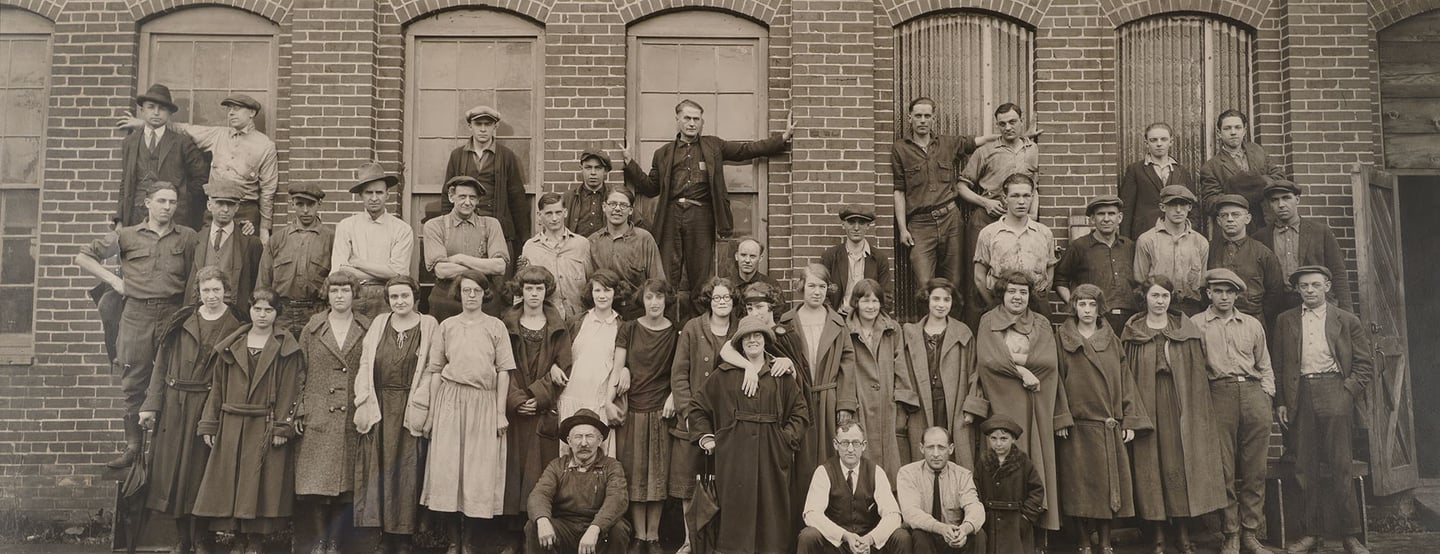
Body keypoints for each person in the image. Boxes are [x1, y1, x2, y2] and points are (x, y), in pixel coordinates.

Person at [75, 181, 198, 469]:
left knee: (174, 377)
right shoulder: (126, 236)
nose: (167, 207)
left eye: (172, 202)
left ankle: (166, 452)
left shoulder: (188, 238)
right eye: (162, 201)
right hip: (136, 314)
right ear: (148, 204)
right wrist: (115, 280)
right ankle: (133, 447)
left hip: (173, 313)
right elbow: (83, 256)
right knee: (134, 380)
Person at [622, 99, 794, 304]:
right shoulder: (663, 153)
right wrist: (630, 164)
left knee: (701, 277)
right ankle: (668, 325)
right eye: (687, 118)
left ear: (702, 122)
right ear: (677, 120)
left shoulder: (713, 146)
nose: (692, 123)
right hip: (671, 215)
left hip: (701, 215)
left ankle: (700, 326)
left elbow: (746, 150)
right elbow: (651, 187)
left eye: (697, 119)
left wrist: (781, 139)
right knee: (667, 275)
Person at [137, 266, 242, 554]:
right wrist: (151, 405)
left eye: (216, 290)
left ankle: (201, 538)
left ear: (226, 292)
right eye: (206, 290)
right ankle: (181, 538)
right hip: (175, 404)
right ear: (198, 292)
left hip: (208, 406)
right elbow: (160, 366)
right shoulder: (181, 321)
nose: (211, 296)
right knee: (174, 473)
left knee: (200, 473)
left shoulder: (235, 327)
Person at [192, 288, 303, 554]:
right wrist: (210, 423)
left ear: (277, 313)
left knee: (260, 483)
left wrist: (282, 427)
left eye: (268, 310)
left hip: (264, 422)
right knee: (232, 480)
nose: (262, 315)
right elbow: (217, 388)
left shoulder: (286, 346)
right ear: (250, 310)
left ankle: (255, 540)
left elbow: (291, 389)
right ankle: (237, 538)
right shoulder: (233, 344)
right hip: (232, 422)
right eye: (257, 309)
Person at [1124, 275, 1227, 554]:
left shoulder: (1184, 328)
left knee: (1178, 465)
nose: (1160, 302)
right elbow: (1126, 377)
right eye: (1155, 296)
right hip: (1146, 404)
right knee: (1150, 466)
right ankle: (1157, 535)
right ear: (1144, 297)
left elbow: (1195, 373)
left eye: (1165, 297)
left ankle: (1182, 533)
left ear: (1171, 299)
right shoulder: (1133, 331)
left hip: (1178, 404)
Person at [962, 271, 1072, 535]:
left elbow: (1048, 363)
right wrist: (1022, 371)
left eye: (1023, 292)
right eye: (1012, 291)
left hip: (1036, 408)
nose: (1018, 297)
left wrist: (1016, 363)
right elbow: (989, 361)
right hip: (1002, 405)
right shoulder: (988, 321)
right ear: (1003, 293)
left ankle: (1037, 534)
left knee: (1035, 467)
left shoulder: (1042, 324)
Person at [1273, 266, 1373, 554]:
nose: (1310, 291)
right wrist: (1281, 401)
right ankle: (1311, 534)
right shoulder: (1285, 321)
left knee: (1341, 466)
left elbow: (1364, 364)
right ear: (1298, 289)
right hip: (1300, 393)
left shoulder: (1346, 320)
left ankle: (1350, 536)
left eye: (1316, 285)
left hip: (1335, 390)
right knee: (1304, 467)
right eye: (1304, 286)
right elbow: (1279, 365)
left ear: (1328, 286)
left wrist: (1347, 393)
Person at [691, 314, 810, 554]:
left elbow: (800, 413)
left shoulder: (781, 376)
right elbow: (697, 408)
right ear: (740, 343)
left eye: (758, 336)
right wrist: (708, 438)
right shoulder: (724, 375)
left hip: (773, 457)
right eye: (747, 337)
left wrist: (785, 441)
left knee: (772, 518)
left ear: (766, 340)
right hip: (733, 459)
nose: (753, 341)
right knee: (735, 520)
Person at [416, 270, 515, 553]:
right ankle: (452, 541)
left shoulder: (496, 326)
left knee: (477, 472)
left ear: (486, 294)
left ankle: (470, 542)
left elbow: (504, 372)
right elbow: (435, 372)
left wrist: (499, 412)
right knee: (448, 470)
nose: (471, 296)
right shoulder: (447, 326)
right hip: (450, 399)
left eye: (477, 291)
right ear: (459, 294)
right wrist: (433, 414)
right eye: (466, 291)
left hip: (483, 403)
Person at [1055, 285, 1151, 554]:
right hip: (1077, 426)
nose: (1087, 310)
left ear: (1099, 309)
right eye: (1082, 304)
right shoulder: (1062, 339)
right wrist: (1061, 417)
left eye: (1092, 305)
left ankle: (1106, 541)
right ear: (1074, 306)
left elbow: (1125, 379)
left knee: (1109, 487)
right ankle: (1084, 540)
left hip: (1107, 425)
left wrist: (1130, 419)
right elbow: (1057, 382)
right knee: (1079, 486)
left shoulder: (1112, 340)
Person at [1191, 268, 1276, 554]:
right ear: (1209, 294)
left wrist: (1266, 395)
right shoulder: (1196, 324)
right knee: (1222, 468)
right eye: (1218, 291)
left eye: (1229, 292)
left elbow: (1264, 364)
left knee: (1255, 468)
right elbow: (1194, 368)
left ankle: (1251, 532)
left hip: (1253, 394)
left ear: (1237, 294)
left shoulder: (1252, 324)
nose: (1224, 297)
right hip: (1218, 394)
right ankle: (1231, 533)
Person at [353, 276, 438, 553]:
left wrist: (422, 403)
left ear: (416, 298)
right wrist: (364, 398)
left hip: (410, 404)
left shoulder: (428, 325)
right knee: (379, 468)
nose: (400, 302)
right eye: (394, 297)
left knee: (407, 469)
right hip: (381, 404)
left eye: (405, 296)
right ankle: (382, 535)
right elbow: (366, 361)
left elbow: (431, 368)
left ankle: (404, 536)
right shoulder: (379, 324)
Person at [122, 94, 278, 239]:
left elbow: (268, 190)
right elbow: (183, 128)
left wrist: (265, 228)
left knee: (242, 260)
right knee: (207, 256)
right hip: (213, 210)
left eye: (236, 109)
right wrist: (144, 123)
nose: (231, 113)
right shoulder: (218, 135)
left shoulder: (265, 146)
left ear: (251, 113)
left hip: (245, 212)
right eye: (229, 109)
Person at [294, 273, 371, 554]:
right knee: (316, 484)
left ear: (354, 295)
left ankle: (336, 542)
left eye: (346, 290)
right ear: (327, 294)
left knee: (345, 485)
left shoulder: (366, 327)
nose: (340, 296)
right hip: (318, 415)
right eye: (335, 290)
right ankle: (318, 541)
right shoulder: (312, 329)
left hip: (351, 414)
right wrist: (300, 408)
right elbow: (299, 370)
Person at [669, 276, 738, 552]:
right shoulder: (693, 327)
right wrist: (686, 412)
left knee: (726, 481)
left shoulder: (740, 328)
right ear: (709, 300)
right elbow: (679, 373)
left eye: (727, 298)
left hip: (730, 418)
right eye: (717, 298)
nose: (722, 303)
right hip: (694, 419)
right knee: (691, 483)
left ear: (734, 301)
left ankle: (722, 540)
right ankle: (691, 540)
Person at [500, 266, 568, 549]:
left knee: (539, 472)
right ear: (521, 291)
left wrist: (538, 397)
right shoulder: (507, 322)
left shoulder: (557, 324)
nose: (534, 294)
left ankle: (537, 532)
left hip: (542, 410)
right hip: (516, 411)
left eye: (539, 288)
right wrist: (515, 400)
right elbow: (501, 363)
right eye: (529, 288)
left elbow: (564, 367)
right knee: (512, 472)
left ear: (546, 291)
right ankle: (512, 536)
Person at [892, 97, 984, 289]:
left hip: (951, 220)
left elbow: (976, 141)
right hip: (919, 224)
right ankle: (928, 320)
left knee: (955, 282)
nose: (923, 120)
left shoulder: (946, 143)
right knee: (924, 284)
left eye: (927, 116)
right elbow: (899, 191)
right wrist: (902, 229)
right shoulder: (900, 149)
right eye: (918, 116)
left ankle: (954, 320)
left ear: (933, 118)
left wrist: (1017, 136)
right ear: (910, 118)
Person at [615, 279, 679, 553]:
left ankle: (653, 536)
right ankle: (639, 536)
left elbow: (680, 370)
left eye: (659, 297)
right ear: (643, 300)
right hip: (633, 408)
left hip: (661, 409)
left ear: (666, 300)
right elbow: (618, 367)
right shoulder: (629, 329)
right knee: (635, 473)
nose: (655, 302)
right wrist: (625, 370)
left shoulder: (675, 332)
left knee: (658, 474)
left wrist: (674, 396)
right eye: (650, 297)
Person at [961, 103, 1041, 323]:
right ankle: (985, 327)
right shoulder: (985, 152)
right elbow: (961, 186)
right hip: (987, 218)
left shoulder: (1032, 149)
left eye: (1013, 122)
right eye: (1002, 124)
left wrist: (1033, 215)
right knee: (978, 279)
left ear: (1021, 122)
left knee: (1020, 270)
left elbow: (1036, 187)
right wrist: (985, 202)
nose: (1007, 127)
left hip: (1021, 220)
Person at [525, 408, 633, 554]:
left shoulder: (612, 466)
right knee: (534, 526)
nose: (583, 443)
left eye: (589, 436)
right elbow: (539, 494)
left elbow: (617, 499)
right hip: (565, 529)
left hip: (598, 529)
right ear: (569, 441)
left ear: (600, 440)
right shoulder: (557, 466)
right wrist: (542, 520)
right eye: (578, 437)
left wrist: (596, 528)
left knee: (619, 529)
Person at [897, 279, 977, 468]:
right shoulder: (910, 333)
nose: (941, 305)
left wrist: (971, 407)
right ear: (927, 299)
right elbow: (901, 370)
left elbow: (974, 372)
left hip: (954, 404)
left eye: (946, 300)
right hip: (920, 404)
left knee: (956, 454)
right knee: (923, 453)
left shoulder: (962, 333)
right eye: (936, 299)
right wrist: (905, 404)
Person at [798, 422, 911, 554]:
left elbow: (893, 515)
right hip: (836, 545)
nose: (850, 449)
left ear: (863, 446)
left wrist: (870, 539)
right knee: (808, 536)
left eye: (856, 443)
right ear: (836, 444)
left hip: (868, 545)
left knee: (902, 537)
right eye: (845, 443)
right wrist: (845, 536)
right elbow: (812, 514)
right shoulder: (824, 472)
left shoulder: (875, 471)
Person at [116, 83, 208, 229]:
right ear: (142, 110)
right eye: (151, 107)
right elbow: (125, 183)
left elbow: (201, 178)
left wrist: (182, 201)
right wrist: (120, 220)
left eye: (162, 108)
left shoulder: (182, 142)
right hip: (136, 217)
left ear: (170, 113)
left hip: (173, 218)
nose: (156, 112)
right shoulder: (130, 142)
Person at [842, 279, 909, 477]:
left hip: (887, 401)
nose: (871, 307)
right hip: (859, 401)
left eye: (875, 301)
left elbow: (901, 364)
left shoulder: (892, 328)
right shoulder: (845, 330)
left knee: (890, 459)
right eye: (865, 301)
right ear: (856, 302)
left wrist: (902, 400)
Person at [558, 270, 629, 456]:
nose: (602, 296)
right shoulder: (577, 322)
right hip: (571, 396)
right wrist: (553, 367)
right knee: (569, 454)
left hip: (599, 401)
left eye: (607, 290)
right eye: (597, 291)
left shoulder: (622, 326)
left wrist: (626, 371)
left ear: (616, 293)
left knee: (599, 455)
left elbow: (621, 364)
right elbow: (557, 353)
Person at [1255, 180, 1353, 312]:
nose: (1281, 204)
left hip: (1315, 303)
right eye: (1274, 200)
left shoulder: (1320, 231)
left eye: (1286, 198)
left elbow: (1338, 272)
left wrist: (1346, 311)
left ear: (1297, 199)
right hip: (1277, 308)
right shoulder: (1261, 237)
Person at [444, 105, 531, 255]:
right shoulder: (457, 156)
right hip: (464, 229)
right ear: (470, 126)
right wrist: (447, 228)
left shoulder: (506, 156)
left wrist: (524, 239)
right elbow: (447, 196)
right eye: (478, 124)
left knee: (497, 273)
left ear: (495, 126)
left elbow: (517, 199)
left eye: (488, 124)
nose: (483, 129)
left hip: (497, 231)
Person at [332, 162, 414, 318]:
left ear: (387, 194)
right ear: (361, 195)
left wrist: (357, 263)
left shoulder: (402, 229)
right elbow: (339, 271)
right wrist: (385, 271)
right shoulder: (346, 226)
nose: (374, 198)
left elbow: (399, 273)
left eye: (379, 192)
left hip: (386, 297)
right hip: (353, 296)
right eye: (369, 193)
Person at [972, 174, 1057, 322]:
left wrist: (1039, 298)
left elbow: (1049, 270)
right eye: (1015, 196)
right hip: (1000, 302)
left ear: (1032, 197)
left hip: (1036, 304)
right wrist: (994, 305)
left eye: (1026, 196)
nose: (1021, 202)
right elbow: (979, 276)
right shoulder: (989, 233)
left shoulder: (1044, 233)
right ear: (1005, 198)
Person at [423, 175, 509, 320]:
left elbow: (499, 267)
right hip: (446, 299)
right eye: (462, 196)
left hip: (484, 297)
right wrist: (484, 266)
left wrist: (459, 259)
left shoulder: (491, 224)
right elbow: (442, 271)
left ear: (478, 200)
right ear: (451, 196)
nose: (468, 202)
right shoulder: (435, 226)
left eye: (473, 197)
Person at [259, 182, 334, 338]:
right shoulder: (277, 240)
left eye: (311, 204)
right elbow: (263, 283)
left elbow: (337, 282)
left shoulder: (331, 239)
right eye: (300, 204)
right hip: (282, 314)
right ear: (292, 203)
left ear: (319, 204)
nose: (305, 210)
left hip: (316, 313)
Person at [895, 427, 986, 554]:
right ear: (922, 448)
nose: (936, 454)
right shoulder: (908, 473)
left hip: (953, 536)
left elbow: (975, 507)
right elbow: (911, 512)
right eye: (930, 447)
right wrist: (941, 528)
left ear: (951, 449)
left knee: (979, 534)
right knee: (920, 534)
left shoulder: (962, 475)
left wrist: (964, 530)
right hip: (924, 536)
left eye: (941, 448)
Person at [1055, 195, 1139, 331]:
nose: (1106, 219)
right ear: (1093, 219)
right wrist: (1077, 305)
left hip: (1129, 320)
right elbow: (1060, 280)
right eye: (1101, 214)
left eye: (1111, 214)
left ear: (1120, 218)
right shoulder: (1079, 246)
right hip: (1096, 320)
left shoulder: (1129, 246)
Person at [1199, 109, 1286, 232]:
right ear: (1219, 133)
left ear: (1244, 130)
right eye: (1227, 128)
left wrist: (1253, 182)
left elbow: (1279, 177)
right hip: (1236, 228)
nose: (1233, 132)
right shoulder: (1211, 167)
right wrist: (1246, 193)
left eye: (1238, 127)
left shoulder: (1257, 151)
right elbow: (1210, 204)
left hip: (1268, 224)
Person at [587, 187, 665, 319]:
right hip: (603, 311)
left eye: (623, 205)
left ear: (630, 210)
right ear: (604, 206)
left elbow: (657, 282)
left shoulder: (644, 239)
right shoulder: (592, 242)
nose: (617, 209)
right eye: (612, 204)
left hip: (637, 312)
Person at [185, 183, 263, 315]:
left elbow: (255, 283)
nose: (225, 209)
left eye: (231, 204)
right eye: (220, 203)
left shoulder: (250, 243)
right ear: (210, 206)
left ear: (237, 207)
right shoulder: (195, 239)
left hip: (234, 314)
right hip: (200, 311)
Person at [1208, 194, 1286, 324]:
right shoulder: (1209, 250)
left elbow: (1275, 292)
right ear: (1219, 221)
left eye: (1236, 215)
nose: (1230, 219)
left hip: (1252, 320)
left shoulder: (1263, 253)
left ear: (1247, 219)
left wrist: (1256, 318)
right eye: (1224, 215)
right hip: (1216, 321)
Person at [1134, 184, 1210, 316]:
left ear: (1190, 207)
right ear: (1163, 207)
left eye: (1183, 205)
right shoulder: (1147, 240)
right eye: (1172, 205)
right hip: (1158, 307)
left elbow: (1202, 281)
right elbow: (1141, 279)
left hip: (1191, 307)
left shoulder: (1200, 242)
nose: (1179, 210)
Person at [973, 416, 1044, 554]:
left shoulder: (1024, 462)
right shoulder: (983, 462)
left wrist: (1026, 517)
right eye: (993, 438)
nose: (998, 443)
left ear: (1013, 439)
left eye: (1003, 439)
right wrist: (983, 515)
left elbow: (1037, 491)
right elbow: (975, 489)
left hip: (1016, 524)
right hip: (990, 522)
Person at [521, 192, 592, 321]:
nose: (554, 218)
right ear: (539, 215)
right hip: (545, 319)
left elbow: (591, 283)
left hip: (578, 317)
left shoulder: (581, 244)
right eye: (549, 213)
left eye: (558, 213)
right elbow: (522, 287)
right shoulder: (530, 247)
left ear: (565, 213)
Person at [1118, 122, 1196, 239]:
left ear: (1171, 142)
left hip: (1177, 235)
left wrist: (1189, 233)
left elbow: (1193, 207)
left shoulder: (1182, 171)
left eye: (1163, 139)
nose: (1159, 144)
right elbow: (1126, 208)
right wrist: (1125, 240)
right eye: (1153, 140)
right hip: (1145, 234)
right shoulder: (1135, 170)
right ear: (1146, 143)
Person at [821, 204, 894, 316]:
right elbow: (821, 291)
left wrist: (871, 317)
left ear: (868, 226)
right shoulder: (830, 256)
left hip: (868, 318)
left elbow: (886, 297)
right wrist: (833, 317)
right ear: (843, 224)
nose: (856, 228)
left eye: (861, 223)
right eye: (851, 222)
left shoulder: (879, 258)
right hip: (837, 318)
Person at [563, 146, 619, 238]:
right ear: (582, 169)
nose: (593, 172)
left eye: (598, 168)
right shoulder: (568, 198)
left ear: (605, 171)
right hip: (577, 249)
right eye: (588, 167)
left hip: (606, 249)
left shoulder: (616, 197)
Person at [719, 237, 785, 304]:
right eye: (743, 255)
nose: (747, 260)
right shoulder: (724, 286)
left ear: (760, 258)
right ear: (736, 256)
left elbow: (779, 313)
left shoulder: (771, 285)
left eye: (752, 256)